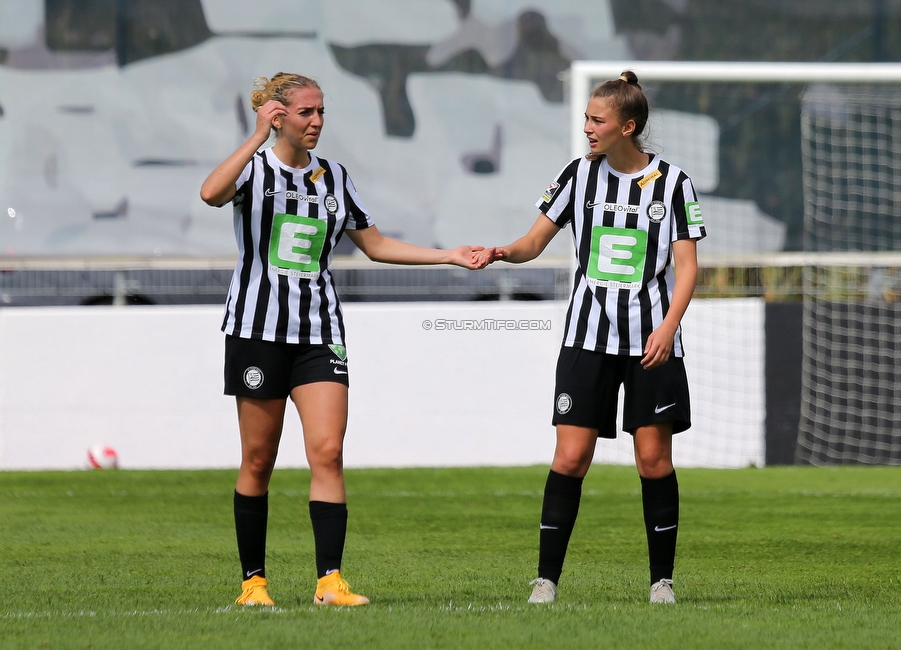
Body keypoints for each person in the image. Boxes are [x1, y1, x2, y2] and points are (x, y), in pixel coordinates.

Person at [200, 72, 491, 607]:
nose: (316, 122)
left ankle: (330, 582)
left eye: (321, 111)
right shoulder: (254, 169)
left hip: (319, 332)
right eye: (306, 112)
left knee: (328, 452)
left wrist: (447, 254)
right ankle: (253, 584)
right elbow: (210, 193)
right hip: (256, 331)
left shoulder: (334, 177)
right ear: (278, 115)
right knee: (258, 460)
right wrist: (254, 137)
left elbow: (375, 245)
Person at [481, 71, 706, 604]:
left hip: (651, 340)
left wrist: (668, 326)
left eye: (596, 120)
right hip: (586, 338)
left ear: (627, 127)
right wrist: (499, 253)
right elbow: (534, 242)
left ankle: (662, 582)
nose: (587, 128)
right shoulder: (578, 176)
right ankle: (546, 581)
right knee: (570, 457)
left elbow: (688, 267)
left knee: (653, 461)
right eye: (586, 118)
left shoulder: (673, 183)